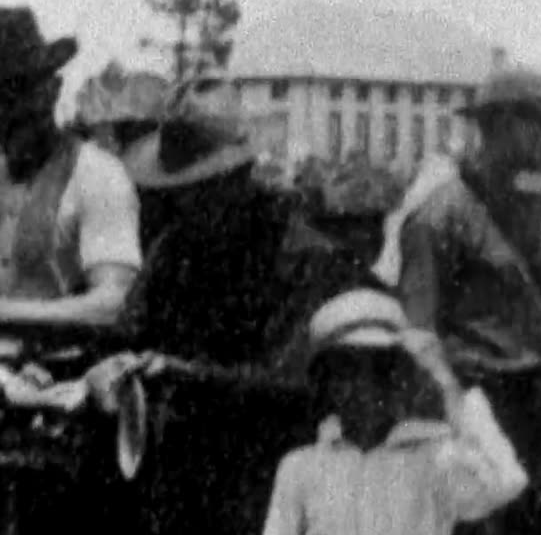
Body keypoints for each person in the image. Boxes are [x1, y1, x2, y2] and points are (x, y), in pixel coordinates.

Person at [120, 70, 371, 535]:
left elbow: (292, 384)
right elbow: (131, 328)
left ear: (237, 177)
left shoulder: (301, 253)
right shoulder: (174, 248)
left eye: (202, 190)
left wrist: (187, 375)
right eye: (180, 194)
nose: (187, 206)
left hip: (271, 469)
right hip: (183, 465)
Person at [393, 66, 541, 535]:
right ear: (498, 126)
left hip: (540, 408)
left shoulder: (536, 212)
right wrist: (459, 417)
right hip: (476, 405)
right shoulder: (440, 216)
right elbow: (418, 332)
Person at [0, 7, 144, 530]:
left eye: (16, 94)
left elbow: (113, 303)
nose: (6, 113)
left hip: (58, 384)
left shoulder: (97, 177)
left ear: (49, 90)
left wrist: (7, 314)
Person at [262, 288, 528, 535]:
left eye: (378, 369)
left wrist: (445, 380)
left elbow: (506, 480)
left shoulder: (434, 459)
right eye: (346, 372)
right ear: (328, 383)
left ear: (395, 378)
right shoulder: (301, 468)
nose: (364, 387)